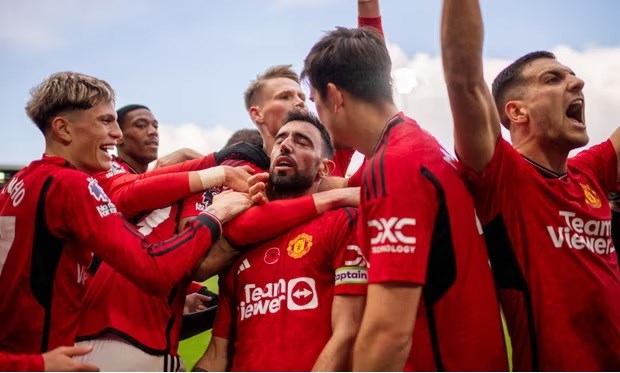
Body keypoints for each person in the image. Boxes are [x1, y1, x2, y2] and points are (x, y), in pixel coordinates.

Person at [0, 71, 251, 371]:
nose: (117, 134)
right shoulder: (72, 184)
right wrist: (214, 215)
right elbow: (153, 269)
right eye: (105, 121)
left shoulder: (18, 184)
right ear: (63, 129)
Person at [301, 25, 507, 371]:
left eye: (316, 103)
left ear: (335, 97)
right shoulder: (417, 144)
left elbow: (387, 334)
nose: (318, 117)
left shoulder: (395, 165)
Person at [441, 1, 620, 370]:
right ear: (516, 111)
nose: (578, 82)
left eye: (571, 75)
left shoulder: (590, 173)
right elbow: (463, 78)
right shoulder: (502, 174)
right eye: (553, 79)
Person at [194, 110, 366, 372]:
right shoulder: (242, 242)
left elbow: (349, 333)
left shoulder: (344, 223)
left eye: (302, 141)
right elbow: (218, 351)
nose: (285, 145)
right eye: (281, 139)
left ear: (324, 168)